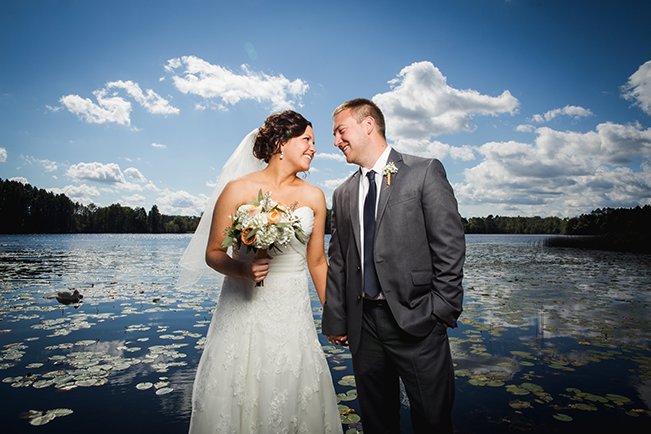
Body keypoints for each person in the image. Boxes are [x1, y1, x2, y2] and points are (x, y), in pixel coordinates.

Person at [181, 111, 343, 433]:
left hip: (291, 312)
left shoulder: (315, 197)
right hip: (242, 311)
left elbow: (318, 263)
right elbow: (213, 253)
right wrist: (243, 269)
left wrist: (334, 316)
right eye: (307, 140)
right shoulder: (237, 190)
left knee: (290, 388)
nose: (314, 148)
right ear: (281, 143)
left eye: (314, 142)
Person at [322, 98, 465, 433]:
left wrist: (441, 310)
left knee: (433, 420)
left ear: (368, 124)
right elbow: (339, 260)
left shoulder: (424, 171)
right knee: (377, 422)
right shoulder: (343, 193)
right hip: (364, 326)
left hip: (418, 322)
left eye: (341, 131)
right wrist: (336, 318)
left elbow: (450, 245)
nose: (335, 141)